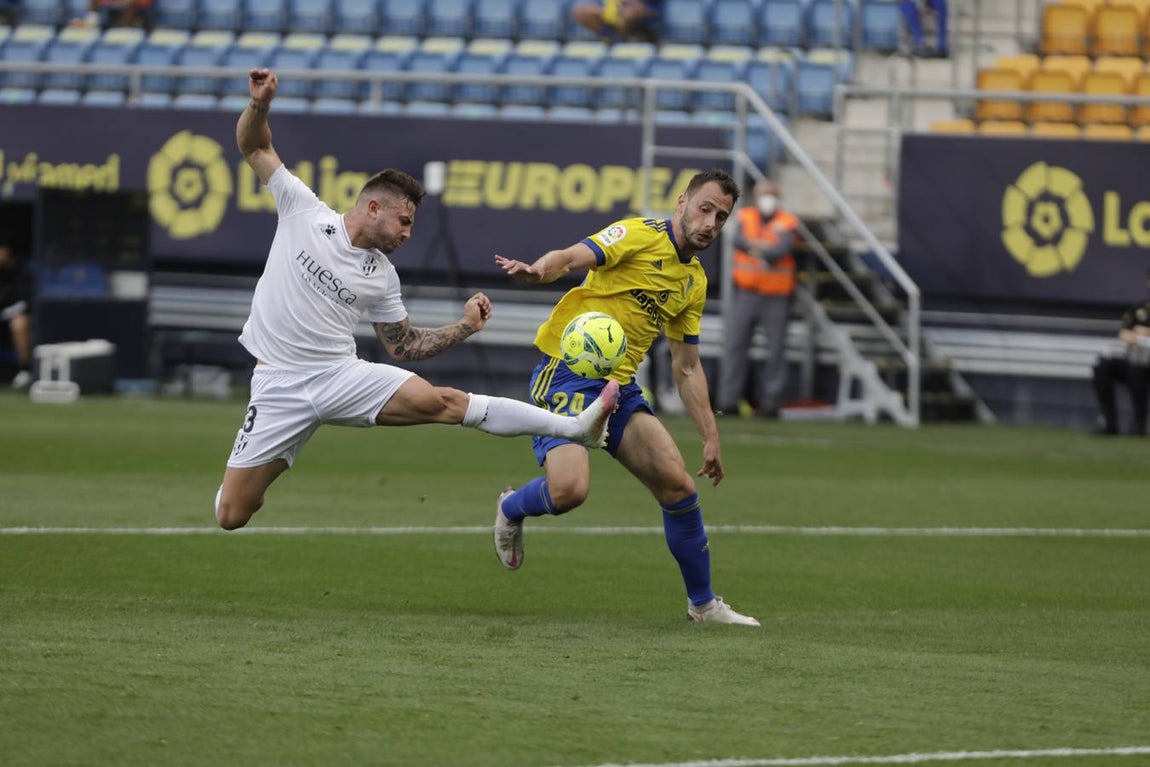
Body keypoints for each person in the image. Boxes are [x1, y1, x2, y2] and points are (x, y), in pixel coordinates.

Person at [213, 69, 621, 531]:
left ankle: (576, 428)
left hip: (338, 375)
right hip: (278, 384)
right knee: (233, 514)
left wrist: (465, 326)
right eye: (404, 221)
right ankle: (250, 480)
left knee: (445, 402)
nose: (408, 233)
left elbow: (402, 346)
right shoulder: (304, 211)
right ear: (373, 208)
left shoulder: (382, 276)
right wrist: (260, 106)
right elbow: (255, 147)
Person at [492, 169, 760, 626]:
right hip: (567, 374)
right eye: (705, 208)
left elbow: (688, 365)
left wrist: (710, 437)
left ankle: (703, 605)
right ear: (682, 202)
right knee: (570, 491)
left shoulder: (693, 282)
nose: (711, 222)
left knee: (679, 486)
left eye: (721, 216)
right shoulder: (637, 234)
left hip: (620, 388)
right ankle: (510, 507)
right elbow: (575, 254)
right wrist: (540, 270)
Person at [717, 179, 800, 420]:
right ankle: (729, 400)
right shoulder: (745, 216)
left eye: (772, 194)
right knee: (735, 346)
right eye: (764, 194)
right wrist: (763, 247)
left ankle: (771, 403)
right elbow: (739, 241)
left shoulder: (787, 221)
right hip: (747, 292)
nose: (768, 198)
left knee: (775, 351)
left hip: (776, 295)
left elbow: (779, 251)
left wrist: (757, 248)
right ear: (756, 195)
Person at [1091, 296, 1150, 437]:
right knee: (1103, 367)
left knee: (1138, 368)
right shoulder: (1139, 309)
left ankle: (1139, 425)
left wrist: (1145, 334)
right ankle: (1109, 423)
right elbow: (1124, 334)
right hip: (1138, 359)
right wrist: (1140, 337)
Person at [0, 240, 34, 390]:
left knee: (19, 323)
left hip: (20, 315)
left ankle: (25, 370)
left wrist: (5, 313)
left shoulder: (25, 271)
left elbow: (27, 301)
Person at [572, 0, 663, 44]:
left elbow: (640, 7)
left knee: (631, 12)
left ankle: (624, 40)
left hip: (647, 12)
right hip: (615, 8)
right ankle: (609, 37)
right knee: (582, 11)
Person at [71, 0, 154, 29]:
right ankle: (91, 21)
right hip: (116, 5)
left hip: (138, 9)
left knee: (130, 4)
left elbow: (145, 2)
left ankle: (127, 30)